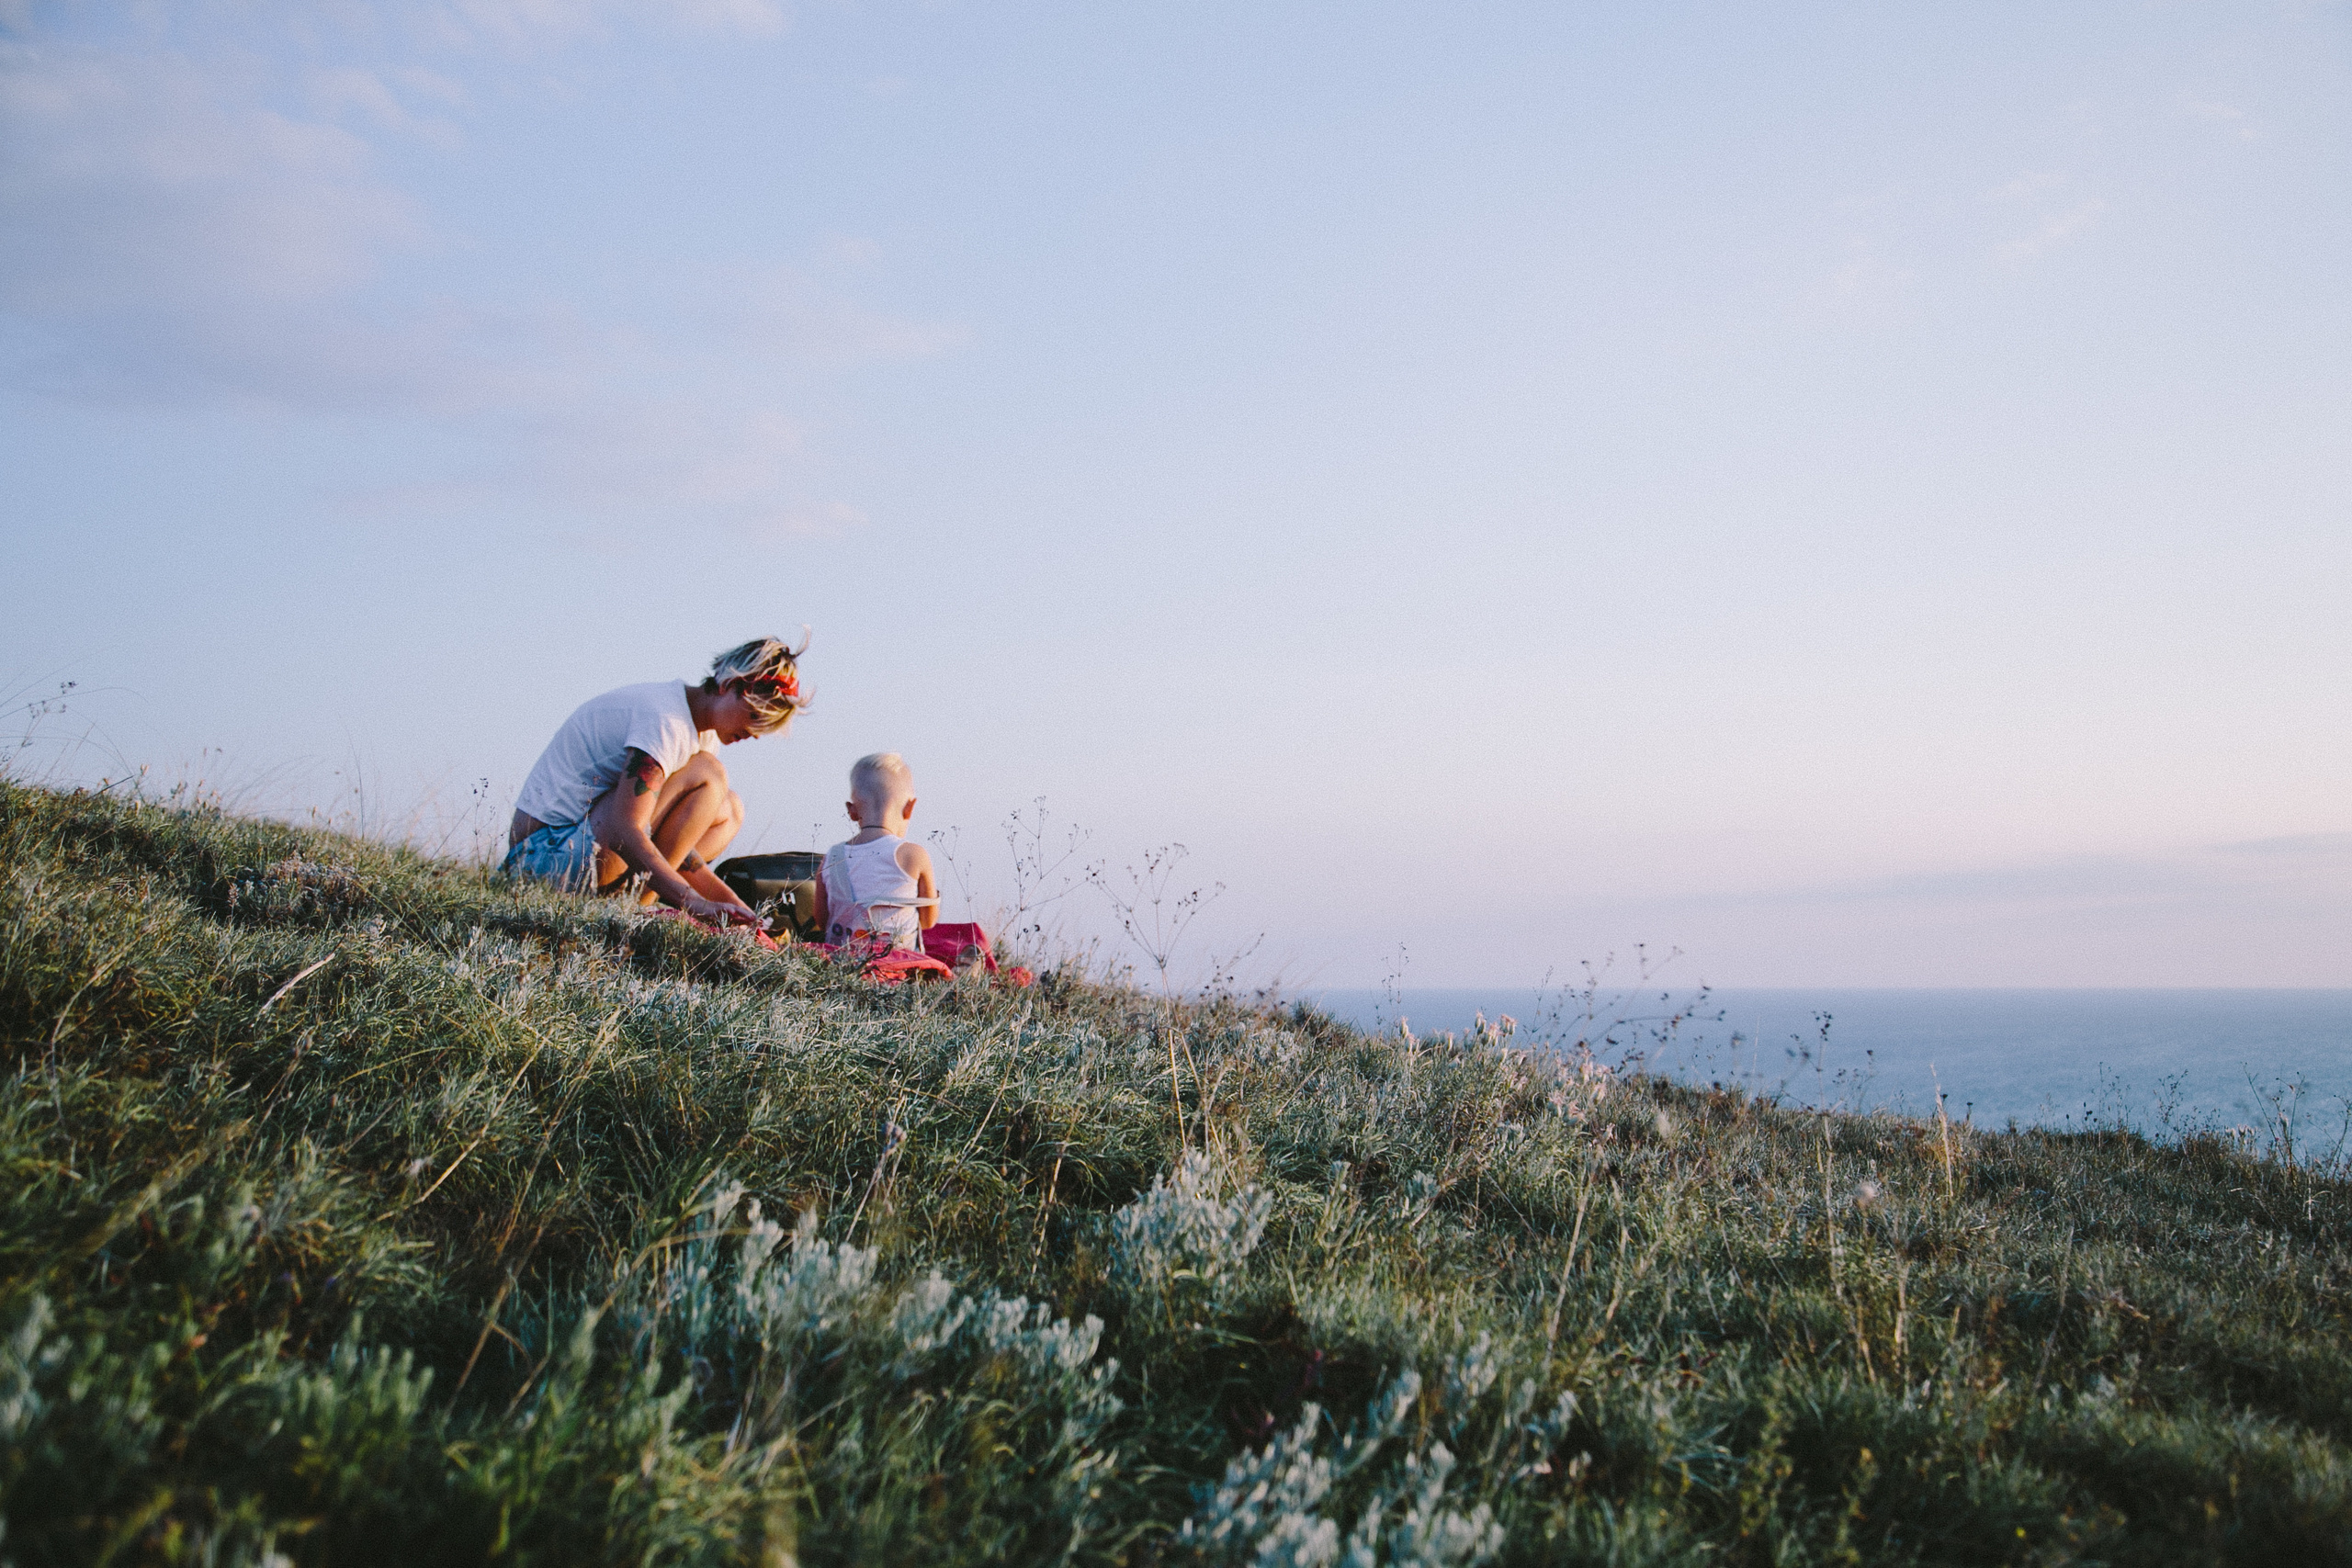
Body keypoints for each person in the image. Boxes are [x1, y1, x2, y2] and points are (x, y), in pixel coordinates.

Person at [503, 637, 806, 928]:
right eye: (754, 715)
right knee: (710, 776)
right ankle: (641, 907)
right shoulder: (666, 720)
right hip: (538, 860)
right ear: (729, 685)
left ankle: (638, 903)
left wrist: (735, 909)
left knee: (729, 809)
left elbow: (675, 843)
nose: (755, 732)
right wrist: (692, 901)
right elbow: (624, 829)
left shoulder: (703, 734)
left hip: (581, 852)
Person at [811, 752, 939, 950]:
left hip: (841, 961)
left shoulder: (832, 857)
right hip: (900, 963)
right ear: (910, 807)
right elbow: (928, 921)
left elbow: (822, 921)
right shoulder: (914, 855)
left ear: (852, 811)